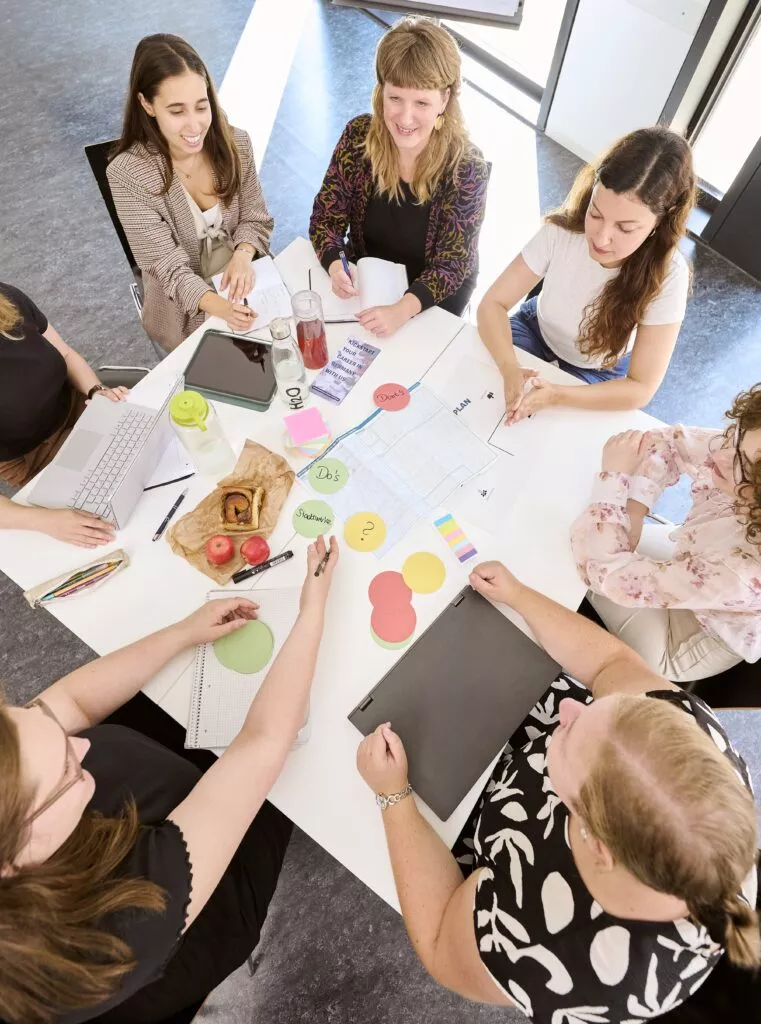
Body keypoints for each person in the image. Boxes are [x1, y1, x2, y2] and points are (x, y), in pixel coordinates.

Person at [356, 561, 759, 1021]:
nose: (571, 705)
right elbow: (612, 664)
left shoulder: (555, 956)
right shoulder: (687, 742)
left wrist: (394, 798)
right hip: (500, 721)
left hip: (462, 819)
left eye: (569, 733)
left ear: (593, 843)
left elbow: (439, 941)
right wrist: (521, 595)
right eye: (602, 708)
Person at [0, 536, 337, 1024]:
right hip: (201, 902)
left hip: (138, 803)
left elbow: (71, 704)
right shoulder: (117, 931)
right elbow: (262, 742)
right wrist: (311, 612)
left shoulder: (24, 789)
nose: (84, 746)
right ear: (15, 863)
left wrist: (182, 632)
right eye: (68, 771)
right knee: (296, 763)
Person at [477, 127, 696, 424]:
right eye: (595, 214)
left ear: (662, 219)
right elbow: (492, 304)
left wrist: (558, 394)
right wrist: (508, 366)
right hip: (534, 330)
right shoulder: (563, 230)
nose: (601, 238)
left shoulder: (669, 276)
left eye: (625, 228)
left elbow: (641, 387)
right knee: (482, 399)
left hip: (598, 371)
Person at [309, 17, 489, 335]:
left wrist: (401, 311)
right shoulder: (357, 136)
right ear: (381, 92)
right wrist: (336, 264)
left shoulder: (466, 167)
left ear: (444, 100)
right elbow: (326, 219)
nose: (405, 118)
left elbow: (452, 264)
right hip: (369, 279)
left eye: (421, 102)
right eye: (395, 98)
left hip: (434, 295)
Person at [570, 384, 761, 683]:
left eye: (744, 467)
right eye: (735, 435)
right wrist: (634, 510)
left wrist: (613, 478)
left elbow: (603, 571)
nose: (722, 456)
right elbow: (669, 442)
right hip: (697, 563)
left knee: (571, 552)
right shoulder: (742, 451)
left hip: (685, 641)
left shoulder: (740, 573)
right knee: (589, 528)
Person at [108, 34, 273, 353]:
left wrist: (242, 255)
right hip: (184, 314)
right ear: (147, 104)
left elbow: (255, 218)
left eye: (201, 106)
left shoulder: (236, 144)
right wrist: (225, 310)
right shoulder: (128, 174)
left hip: (252, 286)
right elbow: (168, 270)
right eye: (177, 111)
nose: (195, 125)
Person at [0, 282, 126, 548]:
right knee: (113, 528)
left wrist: (96, 390)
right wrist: (46, 521)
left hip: (79, 405)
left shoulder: (6, 297)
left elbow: (65, 354)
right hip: (36, 457)